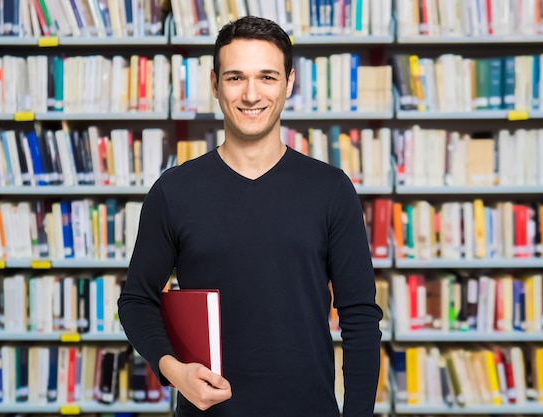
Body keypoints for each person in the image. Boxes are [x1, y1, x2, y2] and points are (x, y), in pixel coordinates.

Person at [118, 16, 382, 417]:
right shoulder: (174, 191)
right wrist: (174, 371)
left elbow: (360, 317)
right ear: (214, 84)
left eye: (268, 77)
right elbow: (137, 300)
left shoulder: (331, 190)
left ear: (289, 83)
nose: (252, 94)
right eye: (236, 77)